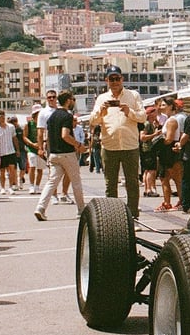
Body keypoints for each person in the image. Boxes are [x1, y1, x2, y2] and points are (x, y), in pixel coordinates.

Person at [89, 66, 145, 218]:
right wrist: (101, 111)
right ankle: (113, 218)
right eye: (111, 79)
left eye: (117, 78)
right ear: (106, 81)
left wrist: (129, 112)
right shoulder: (101, 98)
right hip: (109, 146)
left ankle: (133, 216)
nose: (114, 82)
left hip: (130, 145)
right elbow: (93, 121)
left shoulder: (133, 95)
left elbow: (143, 117)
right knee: (110, 184)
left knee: (132, 183)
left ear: (122, 79)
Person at [34, 90, 86, 220]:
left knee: (51, 182)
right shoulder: (67, 116)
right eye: (72, 100)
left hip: (54, 154)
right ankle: (81, 210)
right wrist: (78, 145)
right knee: (76, 182)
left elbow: (46, 134)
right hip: (67, 153)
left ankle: (40, 208)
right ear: (68, 100)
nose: (73, 102)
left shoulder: (52, 116)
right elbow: (65, 135)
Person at [155, 96, 184, 212]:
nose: (160, 107)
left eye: (163, 105)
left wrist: (158, 140)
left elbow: (170, 138)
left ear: (171, 106)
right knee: (164, 178)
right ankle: (167, 203)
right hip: (165, 151)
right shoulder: (167, 119)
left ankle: (181, 201)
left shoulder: (172, 120)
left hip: (170, 150)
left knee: (176, 177)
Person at [0, 110, 20, 193]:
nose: (2, 118)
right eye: (0, 116)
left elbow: (14, 138)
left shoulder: (11, 127)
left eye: (3, 116)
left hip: (11, 151)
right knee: (2, 171)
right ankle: (3, 187)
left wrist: (17, 149)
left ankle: (10, 187)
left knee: (12, 170)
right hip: (1, 152)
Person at [24, 105, 44, 194]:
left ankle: (37, 186)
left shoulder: (44, 124)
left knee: (40, 169)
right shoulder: (28, 124)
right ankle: (31, 185)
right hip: (31, 148)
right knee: (32, 167)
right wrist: (32, 144)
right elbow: (24, 136)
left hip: (41, 148)